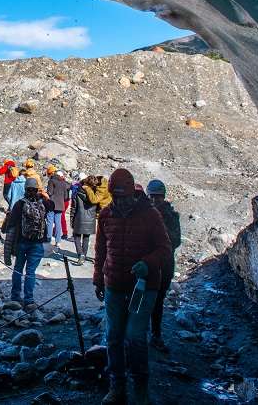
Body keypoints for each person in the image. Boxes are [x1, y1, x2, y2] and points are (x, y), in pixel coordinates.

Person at [93, 169, 172, 405]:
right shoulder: (106, 215)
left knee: (135, 335)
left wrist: (147, 264)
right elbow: (100, 251)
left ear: (133, 195)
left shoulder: (150, 215)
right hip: (114, 284)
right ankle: (117, 386)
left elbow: (165, 249)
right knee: (113, 336)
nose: (122, 202)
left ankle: (140, 387)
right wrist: (98, 278)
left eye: (126, 197)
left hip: (144, 286)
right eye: (118, 198)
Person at [1, 178, 54, 306]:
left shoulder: (19, 204)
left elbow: (11, 227)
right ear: (37, 189)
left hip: (21, 242)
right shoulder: (43, 203)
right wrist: (44, 195)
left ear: (25, 189)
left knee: (18, 269)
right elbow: (52, 206)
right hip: (37, 243)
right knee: (31, 272)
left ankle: (15, 296)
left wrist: (7, 252)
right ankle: (29, 299)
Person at [147, 179, 181, 352]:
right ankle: (142, 333)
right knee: (145, 299)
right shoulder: (143, 215)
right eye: (152, 197)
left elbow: (176, 241)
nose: (154, 201)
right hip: (148, 265)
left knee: (158, 300)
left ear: (163, 197)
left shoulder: (171, 216)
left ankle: (156, 334)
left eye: (157, 197)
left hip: (163, 265)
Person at [69, 176, 99, 265]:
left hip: (79, 218)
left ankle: (81, 255)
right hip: (91, 219)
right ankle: (84, 255)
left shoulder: (77, 192)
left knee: (76, 237)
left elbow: (73, 208)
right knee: (86, 238)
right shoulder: (96, 195)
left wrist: (71, 219)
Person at [45, 169, 71, 249]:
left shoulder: (51, 181)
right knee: (58, 223)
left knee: (50, 221)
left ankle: (48, 240)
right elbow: (66, 197)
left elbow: (49, 192)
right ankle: (58, 241)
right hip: (60, 205)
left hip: (52, 204)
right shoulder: (64, 183)